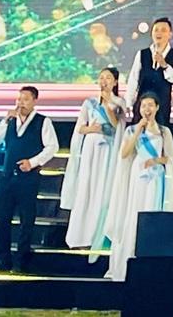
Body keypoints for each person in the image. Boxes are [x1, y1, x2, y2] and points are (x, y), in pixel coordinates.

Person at [100, 92, 173, 282]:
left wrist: (156, 160)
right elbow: (124, 153)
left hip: (156, 178)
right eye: (143, 106)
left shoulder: (164, 131)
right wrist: (138, 130)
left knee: (152, 213)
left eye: (150, 105)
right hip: (137, 176)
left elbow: (169, 158)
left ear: (157, 107)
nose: (147, 109)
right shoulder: (132, 130)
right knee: (135, 213)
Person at [0, 85, 57, 274]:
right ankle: (3, 260)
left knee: (26, 221)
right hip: (6, 178)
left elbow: (52, 147)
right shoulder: (10, 121)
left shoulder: (43, 121)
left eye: (26, 99)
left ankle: (21, 262)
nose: (21, 103)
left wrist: (33, 162)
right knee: (2, 220)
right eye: (19, 99)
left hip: (28, 179)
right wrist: (5, 121)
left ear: (34, 101)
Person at [60, 69, 123, 251]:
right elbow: (80, 128)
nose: (104, 81)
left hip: (108, 149)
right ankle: (81, 236)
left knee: (102, 188)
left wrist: (108, 105)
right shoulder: (89, 103)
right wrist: (91, 129)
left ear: (115, 82)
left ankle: (99, 236)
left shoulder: (120, 103)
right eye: (101, 78)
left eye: (108, 78)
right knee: (87, 187)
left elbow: (118, 126)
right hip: (90, 149)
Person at [127, 17, 173, 125]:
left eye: (163, 30)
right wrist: (128, 103)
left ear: (170, 34)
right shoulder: (142, 54)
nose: (159, 33)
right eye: (156, 30)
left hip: (162, 106)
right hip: (142, 105)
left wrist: (165, 66)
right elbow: (133, 79)